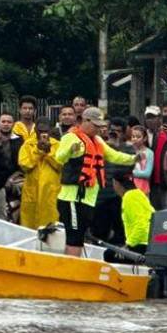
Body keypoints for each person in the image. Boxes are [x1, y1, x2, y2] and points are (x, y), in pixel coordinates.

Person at [54, 107, 137, 257]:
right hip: (72, 198)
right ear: (85, 121)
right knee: (74, 238)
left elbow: (113, 156)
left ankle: (75, 269)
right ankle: (71, 273)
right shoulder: (70, 138)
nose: (98, 129)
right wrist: (70, 151)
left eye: (100, 126)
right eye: (95, 125)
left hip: (89, 199)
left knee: (80, 237)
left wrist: (133, 159)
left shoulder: (97, 140)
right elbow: (59, 158)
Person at [92, 117, 133, 245]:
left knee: (120, 232)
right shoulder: (98, 145)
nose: (114, 134)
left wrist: (117, 148)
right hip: (100, 196)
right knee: (99, 232)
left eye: (118, 131)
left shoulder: (128, 148)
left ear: (124, 132)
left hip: (117, 196)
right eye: (112, 131)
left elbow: (127, 169)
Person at [18, 120, 62, 228]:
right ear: (35, 130)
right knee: (29, 225)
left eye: (46, 131)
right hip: (31, 192)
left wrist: (48, 152)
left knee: (51, 227)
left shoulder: (57, 145)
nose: (43, 133)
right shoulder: (27, 144)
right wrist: (38, 151)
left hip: (50, 193)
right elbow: (25, 165)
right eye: (40, 130)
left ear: (50, 130)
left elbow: (60, 165)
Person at [111, 171, 153, 255]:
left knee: (108, 254)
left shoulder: (129, 197)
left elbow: (141, 225)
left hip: (141, 245)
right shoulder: (139, 193)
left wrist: (128, 245)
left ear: (116, 183)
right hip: (149, 243)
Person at [128, 123, 155, 195]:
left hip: (143, 190)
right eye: (133, 136)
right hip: (128, 189)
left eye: (138, 137)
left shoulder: (149, 153)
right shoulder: (128, 151)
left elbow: (147, 173)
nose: (135, 139)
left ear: (145, 138)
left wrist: (130, 173)